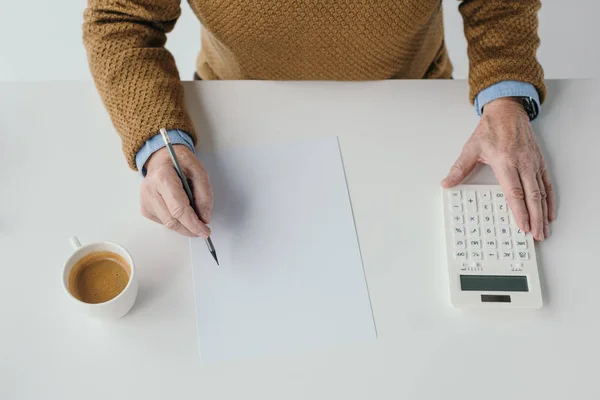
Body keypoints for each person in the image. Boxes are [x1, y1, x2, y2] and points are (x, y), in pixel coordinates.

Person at [83, 0, 555, 241]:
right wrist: (157, 144)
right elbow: (119, 17)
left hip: (411, 108)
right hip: (235, 119)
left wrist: (505, 96)